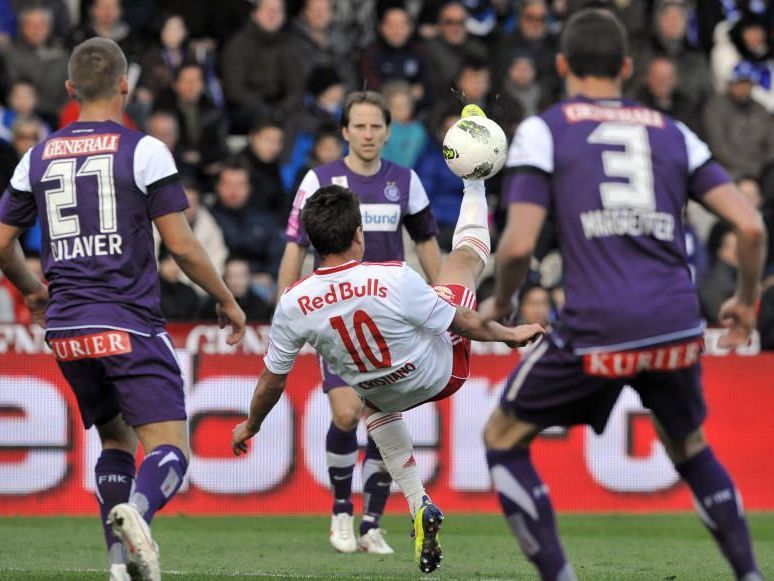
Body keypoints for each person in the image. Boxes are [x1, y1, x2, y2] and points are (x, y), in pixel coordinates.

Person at [479, 10, 766, 581]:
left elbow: (514, 249)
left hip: (597, 325)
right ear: (629, 68)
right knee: (689, 447)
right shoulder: (673, 132)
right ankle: (750, 576)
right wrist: (745, 298)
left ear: (561, 66)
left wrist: (502, 304)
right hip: (675, 322)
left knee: (502, 437)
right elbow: (751, 227)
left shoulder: (545, 129)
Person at [0, 38, 246, 581]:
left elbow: (1, 242)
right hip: (127, 322)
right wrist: (225, 299)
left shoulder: (35, 156)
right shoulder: (144, 149)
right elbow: (180, 246)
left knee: (115, 440)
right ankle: (139, 515)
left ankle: (118, 564)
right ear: (124, 85)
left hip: (66, 329)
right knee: (170, 452)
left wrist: (32, 290)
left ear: (68, 91)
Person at [232, 177, 544, 573]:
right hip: (441, 373)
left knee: (374, 404)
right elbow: (464, 322)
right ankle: (476, 182)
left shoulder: (293, 304)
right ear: (358, 236)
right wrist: (509, 334)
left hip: (380, 391)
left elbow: (273, 380)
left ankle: (418, 502)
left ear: (311, 243)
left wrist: (250, 424)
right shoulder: (392, 276)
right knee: (461, 261)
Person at [277, 90, 443, 555]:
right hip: (336, 319)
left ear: (388, 131)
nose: (368, 135)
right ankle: (340, 512)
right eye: (360, 126)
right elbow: (294, 248)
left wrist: (445, 298)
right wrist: (284, 308)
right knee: (347, 413)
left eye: (376, 126)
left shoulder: (405, 182)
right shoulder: (320, 179)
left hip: (391, 323)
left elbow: (427, 244)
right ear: (344, 131)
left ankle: (372, 522)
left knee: (383, 416)